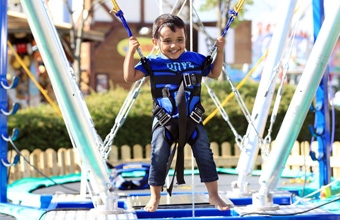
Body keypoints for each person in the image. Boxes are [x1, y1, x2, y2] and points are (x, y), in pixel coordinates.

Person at [123, 13, 231, 212]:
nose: (174, 46)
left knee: (205, 153)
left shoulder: (195, 60)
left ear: (185, 39)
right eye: (167, 41)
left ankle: (214, 195)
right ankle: (154, 197)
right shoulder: (153, 63)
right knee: (158, 154)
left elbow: (215, 73)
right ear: (156, 42)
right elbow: (130, 77)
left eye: (180, 40)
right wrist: (131, 52)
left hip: (192, 120)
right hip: (165, 121)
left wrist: (221, 51)